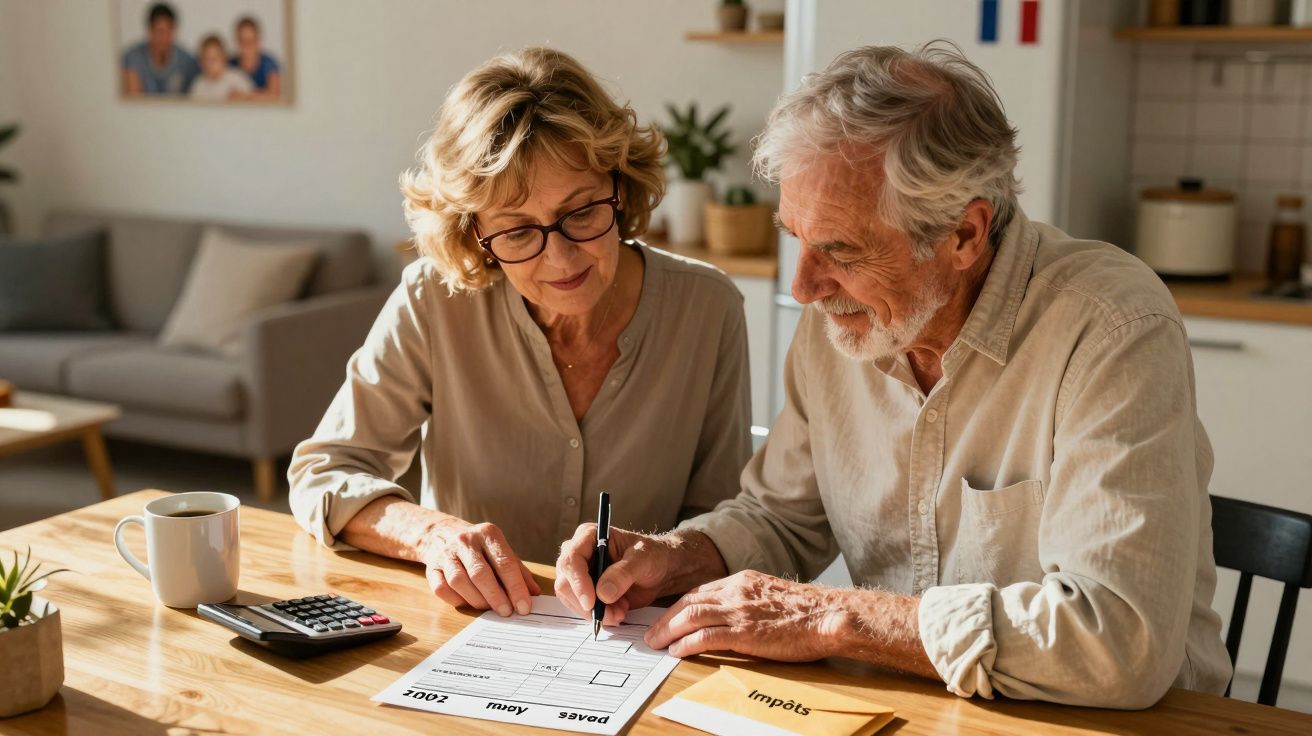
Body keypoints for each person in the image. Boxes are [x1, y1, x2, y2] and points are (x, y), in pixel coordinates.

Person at [556, 42, 1233, 710]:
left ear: (964, 236)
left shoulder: (1111, 327)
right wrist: (675, 557)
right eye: (796, 237)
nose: (805, 286)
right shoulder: (841, 325)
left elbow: (1117, 640)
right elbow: (782, 517)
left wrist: (832, 618)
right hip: (920, 707)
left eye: (840, 250)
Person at [289, 47, 751, 621]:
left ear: (620, 185)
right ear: (473, 233)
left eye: (581, 212)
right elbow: (324, 472)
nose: (559, 257)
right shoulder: (432, 300)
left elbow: (729, 519)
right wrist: (431, 535)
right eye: (516, 232)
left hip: (635, 642)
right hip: (467, 634)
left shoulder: (708, 308)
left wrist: (671, 557)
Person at [121, 2, 199, 96]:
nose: (164, 38)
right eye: (160, 31)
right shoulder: (133, 58)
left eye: (169, 31)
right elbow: (133, 100)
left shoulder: (187, 61)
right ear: (150, 30)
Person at [230, 16, 282, 101]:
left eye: (250, 41)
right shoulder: (230, 64)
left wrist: (245, 96)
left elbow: (275, 94)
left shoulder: (269, 63)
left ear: (258, 41)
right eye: (242, 41)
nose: (246, 46)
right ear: (236, 41)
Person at [189, 35, 253, 102]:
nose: (209, 64)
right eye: (206, 59)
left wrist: (243, 96)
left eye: (214, 59)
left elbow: (254, 104)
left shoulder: (238, 79)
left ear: (224, 58)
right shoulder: (198, 85)